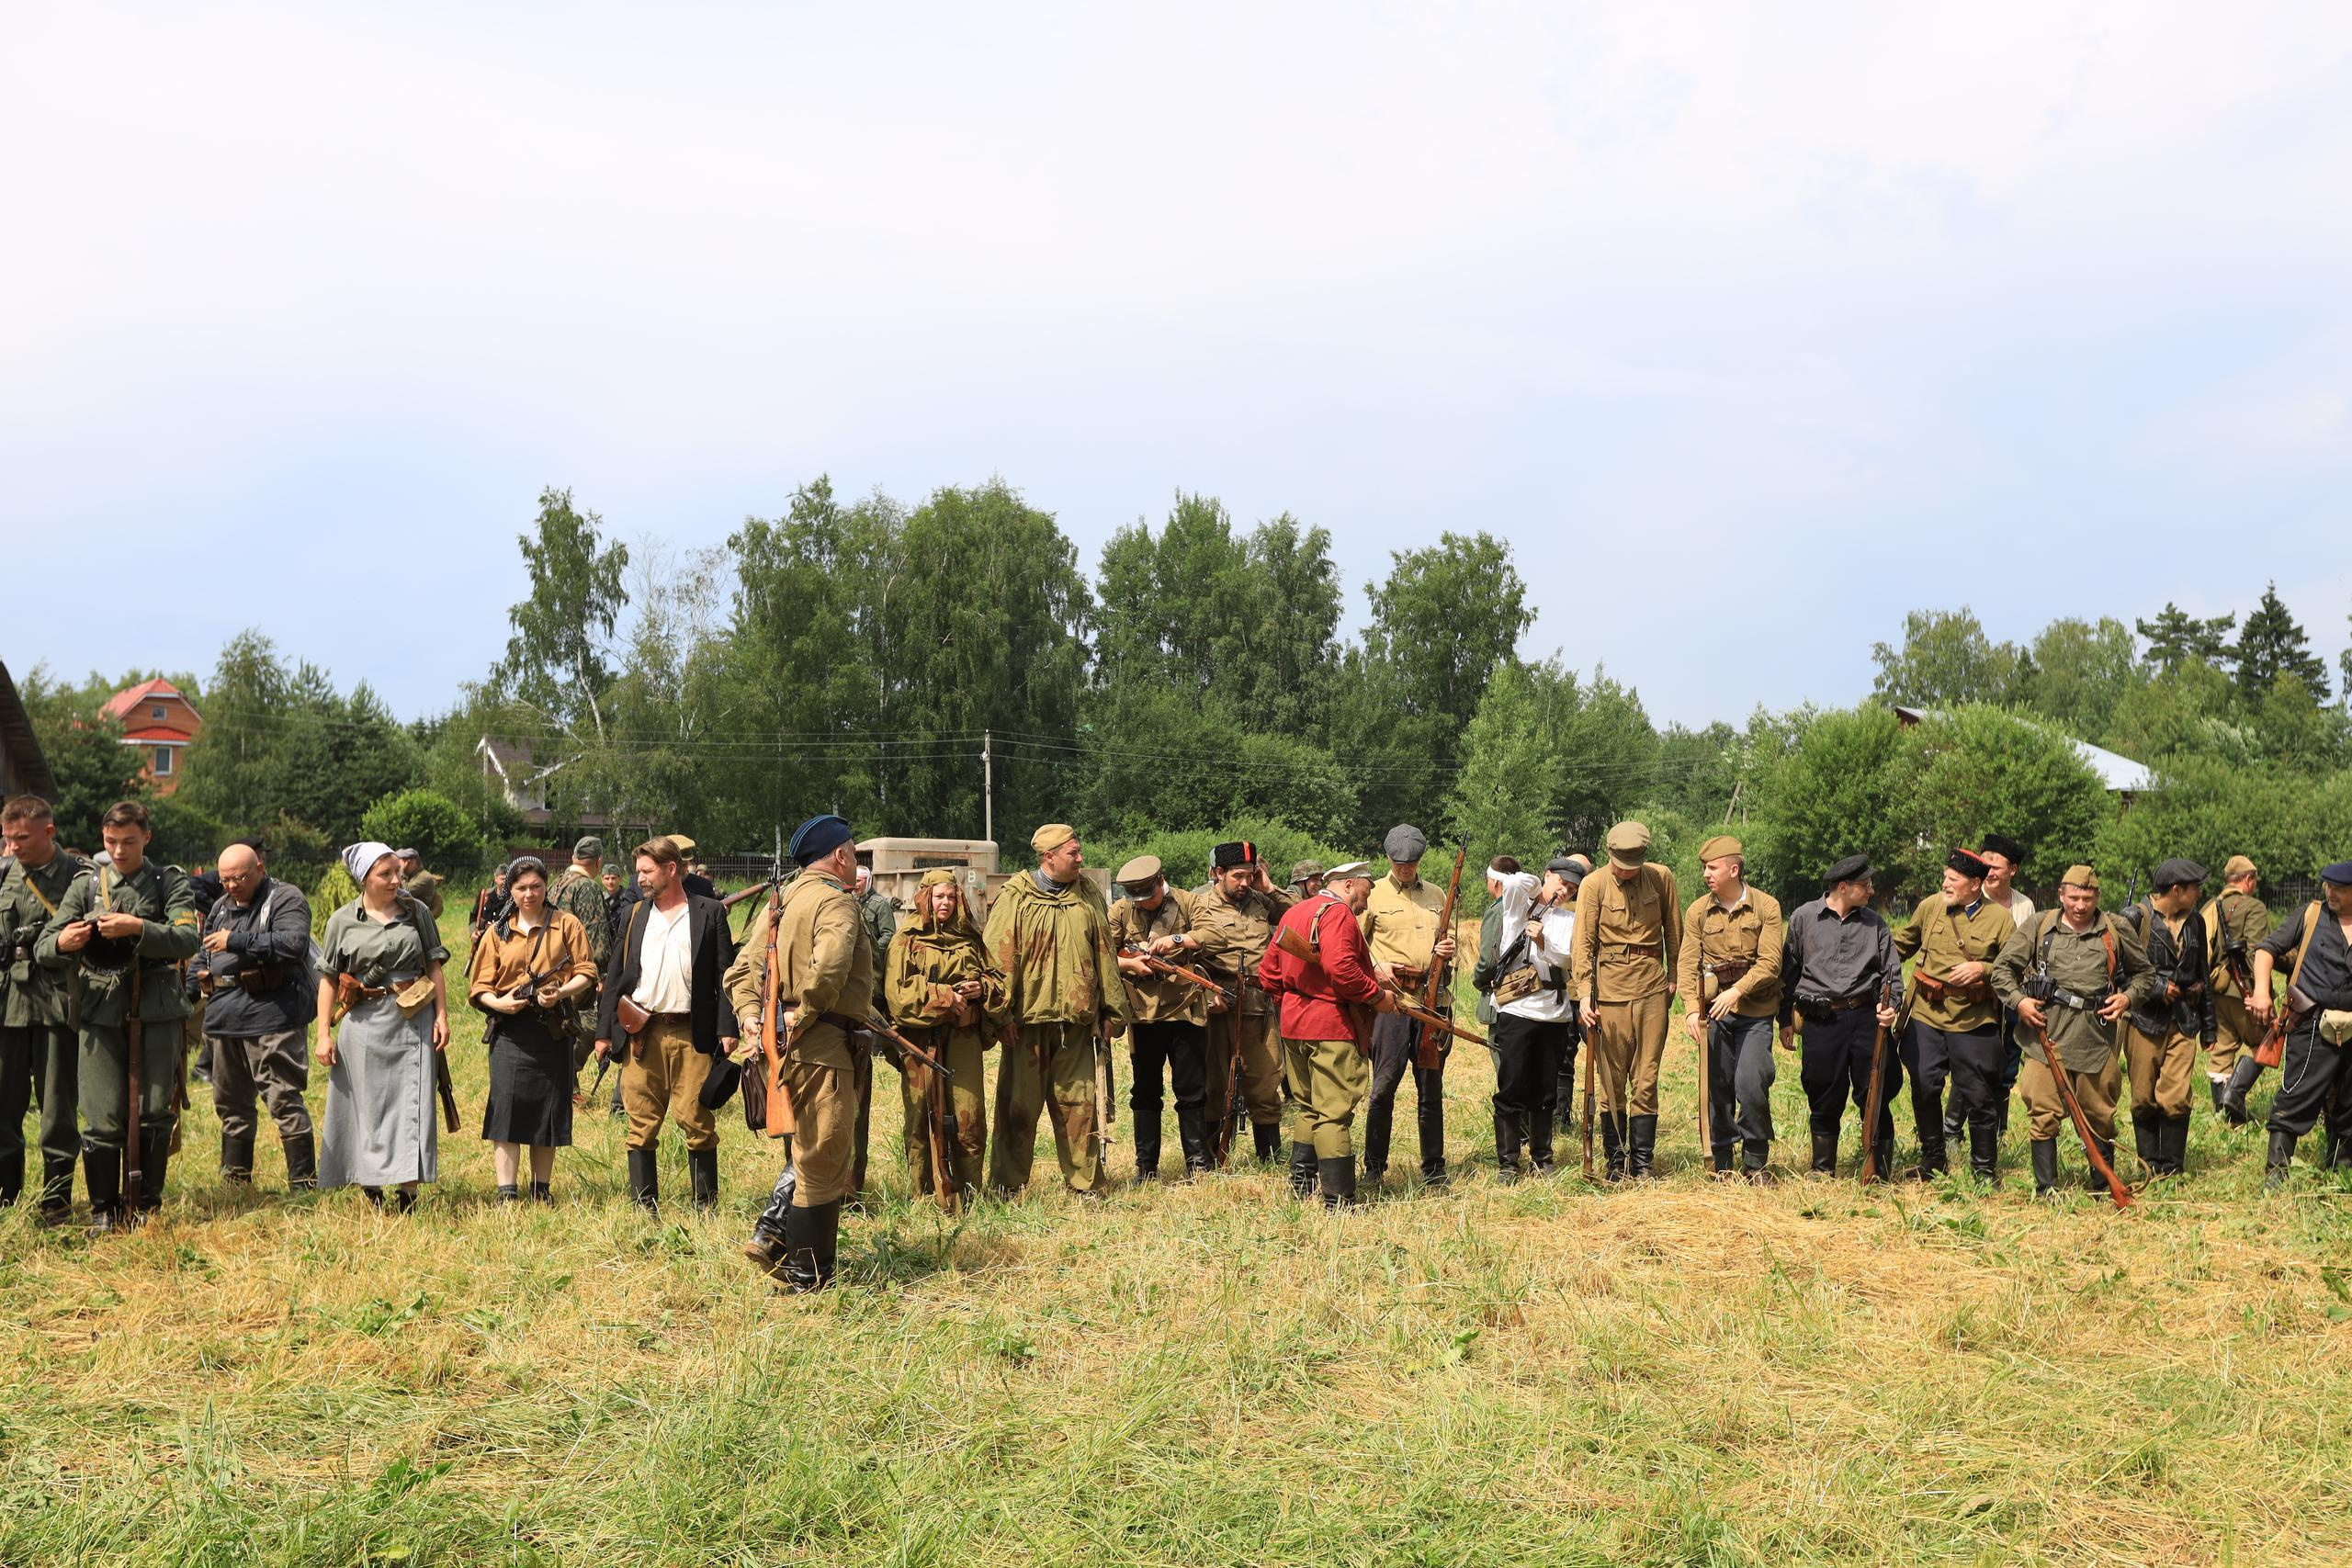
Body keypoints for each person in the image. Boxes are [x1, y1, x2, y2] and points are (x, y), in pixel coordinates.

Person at [33, 801, 199, 1228]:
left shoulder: (168, 883)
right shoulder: (86, 884)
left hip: (157, 1006)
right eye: (111, 841)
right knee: (101, 1113)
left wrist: (137, 928)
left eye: (128, 841)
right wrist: (64, 942)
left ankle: (145, 1206)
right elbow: (44, 947)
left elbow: (186, 939)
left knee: (153, 1110)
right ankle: (104, 1210)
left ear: (147, 837)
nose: (120, 850)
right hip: (101, 1010)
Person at [726, 815, 869, 1290]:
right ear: (841, 857)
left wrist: (751, 1014)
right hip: (823, 1045)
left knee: (808, 1154)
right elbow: (829, 968)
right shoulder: (835, 901)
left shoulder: (781, 902)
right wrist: (803, 1014)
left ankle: (779, 1244)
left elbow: (740, 970)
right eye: (853, 853)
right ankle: (808, 1276)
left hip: (784, 1049)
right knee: (823, 1160)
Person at [983, 823, 1129, 1201]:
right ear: (1048, 857)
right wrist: (1000, 1017)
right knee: (1017, 1109)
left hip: (1076, 1026)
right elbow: (999, 959)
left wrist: (1113, 1009)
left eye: (1079, 852)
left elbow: (1105, 955)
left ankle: (1085, 1184)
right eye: (1073, 854)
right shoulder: (1016, 897)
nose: (1080, 859)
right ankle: (1006, 1187)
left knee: (1080, 1110)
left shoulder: (1088, 895)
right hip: (1026, 1026)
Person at [1990, 864, 2156, 1197]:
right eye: (2075, 897)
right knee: (2042, 1109)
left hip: (2096, 1037)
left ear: (2097, 897)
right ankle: (2046, 1189)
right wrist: (2021, 1003)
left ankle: (2100, 1185)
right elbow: (2002, 970)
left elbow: (2145, 976)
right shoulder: (2039, 926)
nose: (2081, 905)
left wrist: (2126, 998)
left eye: (2088, 898)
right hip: (2045, 1037)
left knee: (2099, 1114)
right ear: (2061, 895)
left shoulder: (2116, 929)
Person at [595, 836, 737, 1214]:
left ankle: (705, 1208)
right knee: (640, 1122)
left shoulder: (709, 912)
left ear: (671, 869)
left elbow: (726, 976)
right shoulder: (634, 915)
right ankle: (645, 1210)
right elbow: (616, 976)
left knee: (696, 1119)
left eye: (647, 871)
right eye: (638, 871)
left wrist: (728, 1028)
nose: (639, 878)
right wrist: (603, 1033)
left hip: (693, 1034)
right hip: (641, 1033)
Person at [314, 841, 451, 1211]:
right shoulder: (342, 920)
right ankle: (371, 1181)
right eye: (385, 874)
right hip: (362, 1023)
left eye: (398, 873)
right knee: (367, 1104)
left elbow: (434, 967)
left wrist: (441, 1015)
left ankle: (408, 1191)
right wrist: (324, 1033)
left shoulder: (417, 911)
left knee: (412, 1102)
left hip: (412, 1019)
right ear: (364, 878)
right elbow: (328, 979)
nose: (396, 880)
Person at [1258, 861, 1392, 1205]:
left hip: (1294, 1026)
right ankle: (1338, 1200)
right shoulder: (1339, 914)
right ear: (1349, 885)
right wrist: (1377, 997)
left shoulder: (1295, 913)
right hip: (1331, 1026)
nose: (1367, 899)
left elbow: (1268, 975)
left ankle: (1302, 1188)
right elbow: (1342, 969)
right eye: (1366, 889)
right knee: (1333, 1112)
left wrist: (1294, 1001)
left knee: (1309, 1107)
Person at [468, 856, 597, 1202]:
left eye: (536, 887)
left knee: (548, 1110)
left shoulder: (566, 924)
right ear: (510, 889)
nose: (530, 894)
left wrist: (562, 992)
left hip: (553, 1029)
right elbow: (478, 987)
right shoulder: (497, 932)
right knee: (506, 1108)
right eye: (522, 888)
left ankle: (542, 1191)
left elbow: (587, 970)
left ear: (546, 887)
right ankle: (506, 1192)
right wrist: (500, 1004)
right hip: (509, 1031)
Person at [193, 840, 318, 1191]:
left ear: (259, 868)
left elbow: (294, 943)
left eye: (239, 878)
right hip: (222, 1019)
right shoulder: (219, 906)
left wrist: (236, 940)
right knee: (230, 1105)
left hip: (272, 1016)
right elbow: (202, 955)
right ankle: (235, 1184)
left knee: (284, 1099)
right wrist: (190, 986)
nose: (232, 886)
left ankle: (303, 1184)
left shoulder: (286, 898)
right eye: (225, 880)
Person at [876, 869, 1005, 1206]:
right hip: (920, 1042)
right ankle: (922, 1193)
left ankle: (970, 1191)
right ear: (925, 899)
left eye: (950, 897)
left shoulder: (971, 939)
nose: (945, 903)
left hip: (963, 1040)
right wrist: (947, 997)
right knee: (921, 1116)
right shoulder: (906, 940)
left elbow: (999, 983)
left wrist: (982, 988)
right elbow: (898, 995)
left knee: (969, 1114)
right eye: (938, 897)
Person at [1891, 848, 2016, 1183]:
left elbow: (2015, 966)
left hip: (1972, 1019)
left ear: (1975, 884)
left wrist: (1983, 969)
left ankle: (1984, 1170)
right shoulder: (1931, 907)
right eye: (1945, 877)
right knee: (1924, 1085)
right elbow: (1901, 945)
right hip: (1926, 1015)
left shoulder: (2000, 919)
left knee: (1978, 1094)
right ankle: (1933, 1161)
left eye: (1953, 879)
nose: (1945, 884)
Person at [1777, 856, 1903, 1179]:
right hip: (1821, 1021)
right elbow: (1788, 974)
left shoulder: (1876, 924)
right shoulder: (1803, 918)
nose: (1871, 890)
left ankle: (1879, 1169)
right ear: (1843, 887)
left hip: (1865, 1018)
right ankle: (1822, 1168)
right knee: (1822, 1091)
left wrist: (1891, 1006)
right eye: (1866, 885)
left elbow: (1892, 972)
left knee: (1874, 1091)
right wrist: (1785, 1020)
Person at [1570, 821, 1681, 1180]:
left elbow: (1673, 930)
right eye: (1620, 864)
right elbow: (1583, 944)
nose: (1626, 872)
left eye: (1633, 865)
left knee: (1647, 1077)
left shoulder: (1661, 878)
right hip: (1610, 991)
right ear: (1609, 854)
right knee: (1612, 1081)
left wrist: (1675, 976)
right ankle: (1616, 1161)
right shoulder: (1594, 884)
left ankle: (1643, 1162)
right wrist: (1584, 995)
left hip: (1652, 987)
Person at [1675, 835, 1785, 1184]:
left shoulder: (1767, 907)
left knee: (1751, 1083)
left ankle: (1755, 1162)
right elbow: (1687, 963)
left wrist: (1737, 991)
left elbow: (1770, 963)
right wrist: (1692, 1009)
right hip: (1713, 1016)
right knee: (1717, 1088)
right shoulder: (1697, 911)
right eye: (1705, 868)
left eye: (1712, 867)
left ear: (1733, 869)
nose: (1706, 874)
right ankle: (1721, 1160)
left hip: (1755, 1011)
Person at [0, 795, 88, 1220]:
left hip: (57, 1004)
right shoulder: (3, 874)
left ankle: (56, 1202)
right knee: (4, 1105)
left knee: (56, 1110)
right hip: (8, 1006)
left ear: (48, 832)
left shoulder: (81, 878)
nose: (13, 846)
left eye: (22, 838)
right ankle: (7, 1199)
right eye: (8, 838)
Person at [1184, 840, 1295, 1167]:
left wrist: (1270, 888)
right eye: (1237, 876)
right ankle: (1209, 1159)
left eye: (1250, 875)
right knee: (1215, 1084)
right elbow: (1187, 960)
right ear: (1218, 873)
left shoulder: (1262, 901)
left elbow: (1299, 915)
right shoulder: (1199, 905)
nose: (1245, 883)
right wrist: (1206, 995)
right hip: (1220, 1004)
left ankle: (1269, 1160)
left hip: (1259, 1006)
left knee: (1266, 1081)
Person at [1362, 824, 1461, 1188]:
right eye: (1399, 862)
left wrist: (1448, 953)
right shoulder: (1372, 897)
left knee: (1431, 1089)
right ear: (1389, 858)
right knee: (1383, 1086)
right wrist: (1375, 971)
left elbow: (1454, 948)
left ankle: (1434, 1168)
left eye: (1412, 862)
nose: (1406, 868)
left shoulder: (1437, 895)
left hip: (1432, 999)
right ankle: (1374, 1167)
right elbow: (1357, 946)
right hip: (1392, 1002)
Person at [2248, 863, 2352, 1190]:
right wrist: (2262, 991)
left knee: (2349, 1104)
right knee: (2293, 1098)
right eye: (2327, 886)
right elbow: (2266, 950)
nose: (2330, 892)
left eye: (2339, 888)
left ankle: (2341, 1172)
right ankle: (2275, 1178)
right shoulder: (2312, 914)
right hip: (2309, 1023)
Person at [1107, 855, 1208, 1179]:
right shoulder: (1121, 911)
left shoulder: (1189, 901)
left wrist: (1177, 939)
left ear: (1160, 881)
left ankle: (1197, 1163)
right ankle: (1146, 1167)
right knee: (1145, 1091)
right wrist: (1130, 965)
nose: (1142, 904)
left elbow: (1213, 935)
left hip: (1184, 1010)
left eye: (1147, 896)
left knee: (1191, 1089)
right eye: (1136, 898)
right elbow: (1103, 954)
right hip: (1143, 1014)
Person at [2118, 859, 2215, 1179]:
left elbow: (2203, 973)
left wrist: (2209, 1026)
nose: (2200, 893)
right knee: (2143, 1096)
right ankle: (2149, 1163)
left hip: (2184, 1020)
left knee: (2176, 1097)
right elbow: (2117, 971)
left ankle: (2171, 1168)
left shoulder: (2196, 922)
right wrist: (2159, 988)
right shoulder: (2134, 918)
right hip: (2144, 1019)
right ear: (2177, 890)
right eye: (2195, 888)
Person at [1485, 868, 1576, 1179]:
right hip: (1517, 1013)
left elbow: (1567, 958)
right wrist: (1538, 891)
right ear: (1547, 876)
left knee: (1545, 1090)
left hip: (1553, 1015)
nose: (1564, 891)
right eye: (1561, 883)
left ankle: (1542, 1159)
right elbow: (1511, 882)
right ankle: (1508, 1164)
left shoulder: (1568, 920)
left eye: (1571, 888)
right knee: (1511, 1086)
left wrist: (1542, 940)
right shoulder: (1517, 909)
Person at [2208, 855, 2276, 1125]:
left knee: (2222, 1050)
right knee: (2267, 1041)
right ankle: (2234, 1096)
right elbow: (2258, 951)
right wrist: (2261, 991)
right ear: (2248, 879)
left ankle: (2223, 1116)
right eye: (2255, 880)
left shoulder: (2211, 907)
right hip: (2242, 989)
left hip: (2215, 989)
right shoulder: (2253, 907)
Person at [846, 858, 896, 1208]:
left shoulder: (876, 905)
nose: (858, 885)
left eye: (862, 880)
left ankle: (851, 1187)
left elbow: (888, 936)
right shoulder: (844, 905)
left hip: (869, 986)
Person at [546, 837, 611, 1069]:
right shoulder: (588, 887)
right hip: (579, 971)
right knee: (592, 1027)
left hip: (555, 967)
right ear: (599, 861)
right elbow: (596, 933)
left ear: (574, 857)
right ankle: (565, 1076)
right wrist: (600, 975)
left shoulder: (557, 883)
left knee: (566, 1025)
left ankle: (567, 1083)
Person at [395, 849, 446, 921]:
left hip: (418, 921)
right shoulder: (412, 876)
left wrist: (401, 871)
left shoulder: (424, 877)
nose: (399, 865)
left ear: (413, 862)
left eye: (403, 862)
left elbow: (404, 893)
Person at [468, 864, 511, 948]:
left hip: (504, 945)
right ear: (495, 879)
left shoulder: (513, 899)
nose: (505, 882)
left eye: (507, 879)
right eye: (502, 879)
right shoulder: (485, 895)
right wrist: (473, 932)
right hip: (484, 943)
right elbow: (473, 917)